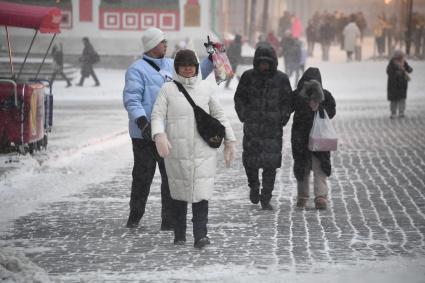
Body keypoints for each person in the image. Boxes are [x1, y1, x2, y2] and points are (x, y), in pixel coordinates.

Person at [122, 27, 213, 230]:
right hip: (143, 135)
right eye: (163, 42)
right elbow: (132, 99)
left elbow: (195, 73)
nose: (166, 45)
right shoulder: (137, 70)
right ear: (152, 45)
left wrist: (213, 59)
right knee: (142, 178)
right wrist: (142, 122)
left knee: (170, 179)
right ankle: (135, 215)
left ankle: (169, 221)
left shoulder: (171, 65)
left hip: (168, 134)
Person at [151, 49, 236, 248]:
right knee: (179, 196)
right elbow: (157, 115)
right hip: (177, 153)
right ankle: (179, 235)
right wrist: (159, 134)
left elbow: (220, 116)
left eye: (191, 66)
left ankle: (201, 236)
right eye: (183, 66)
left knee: (201, 195)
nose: (188, 69)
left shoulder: (206, 89)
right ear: (177, 68)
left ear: (197, 68)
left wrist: (230, 140)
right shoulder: (167, 90)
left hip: (203, 152)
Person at [234, 44, 292, 210]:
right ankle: (253, 186)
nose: (264, 66)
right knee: (250, 162)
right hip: (252, 129)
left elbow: (287, 102)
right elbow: (239, 98)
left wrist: (283, 117)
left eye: (267, 63)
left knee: (270, 165)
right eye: (261, 62)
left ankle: (266, 197)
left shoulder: (281, 79)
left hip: (272, 130)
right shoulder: (248, 77)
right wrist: (244, 115)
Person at [287, 67, 336, 209]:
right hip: (320, 137)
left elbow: (287, 108)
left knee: (304, 167)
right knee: (318, 166)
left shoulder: (298, 94)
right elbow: (332, 112)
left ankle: (303, 197)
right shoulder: (325, 94)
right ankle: (320, 196)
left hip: (300, 136)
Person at [386, 50, 413, 119]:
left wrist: (409, 69)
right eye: (400, 56)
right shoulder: (392, 63)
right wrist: (397, 73)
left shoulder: (404, 62)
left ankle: (401, 112)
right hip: (394, 85)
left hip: (402, 85)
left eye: (402, 56)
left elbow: (409, 69)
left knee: (402, 100)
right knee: (394, 100)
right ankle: (393, 113)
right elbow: (389, 72)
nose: (401, 58)